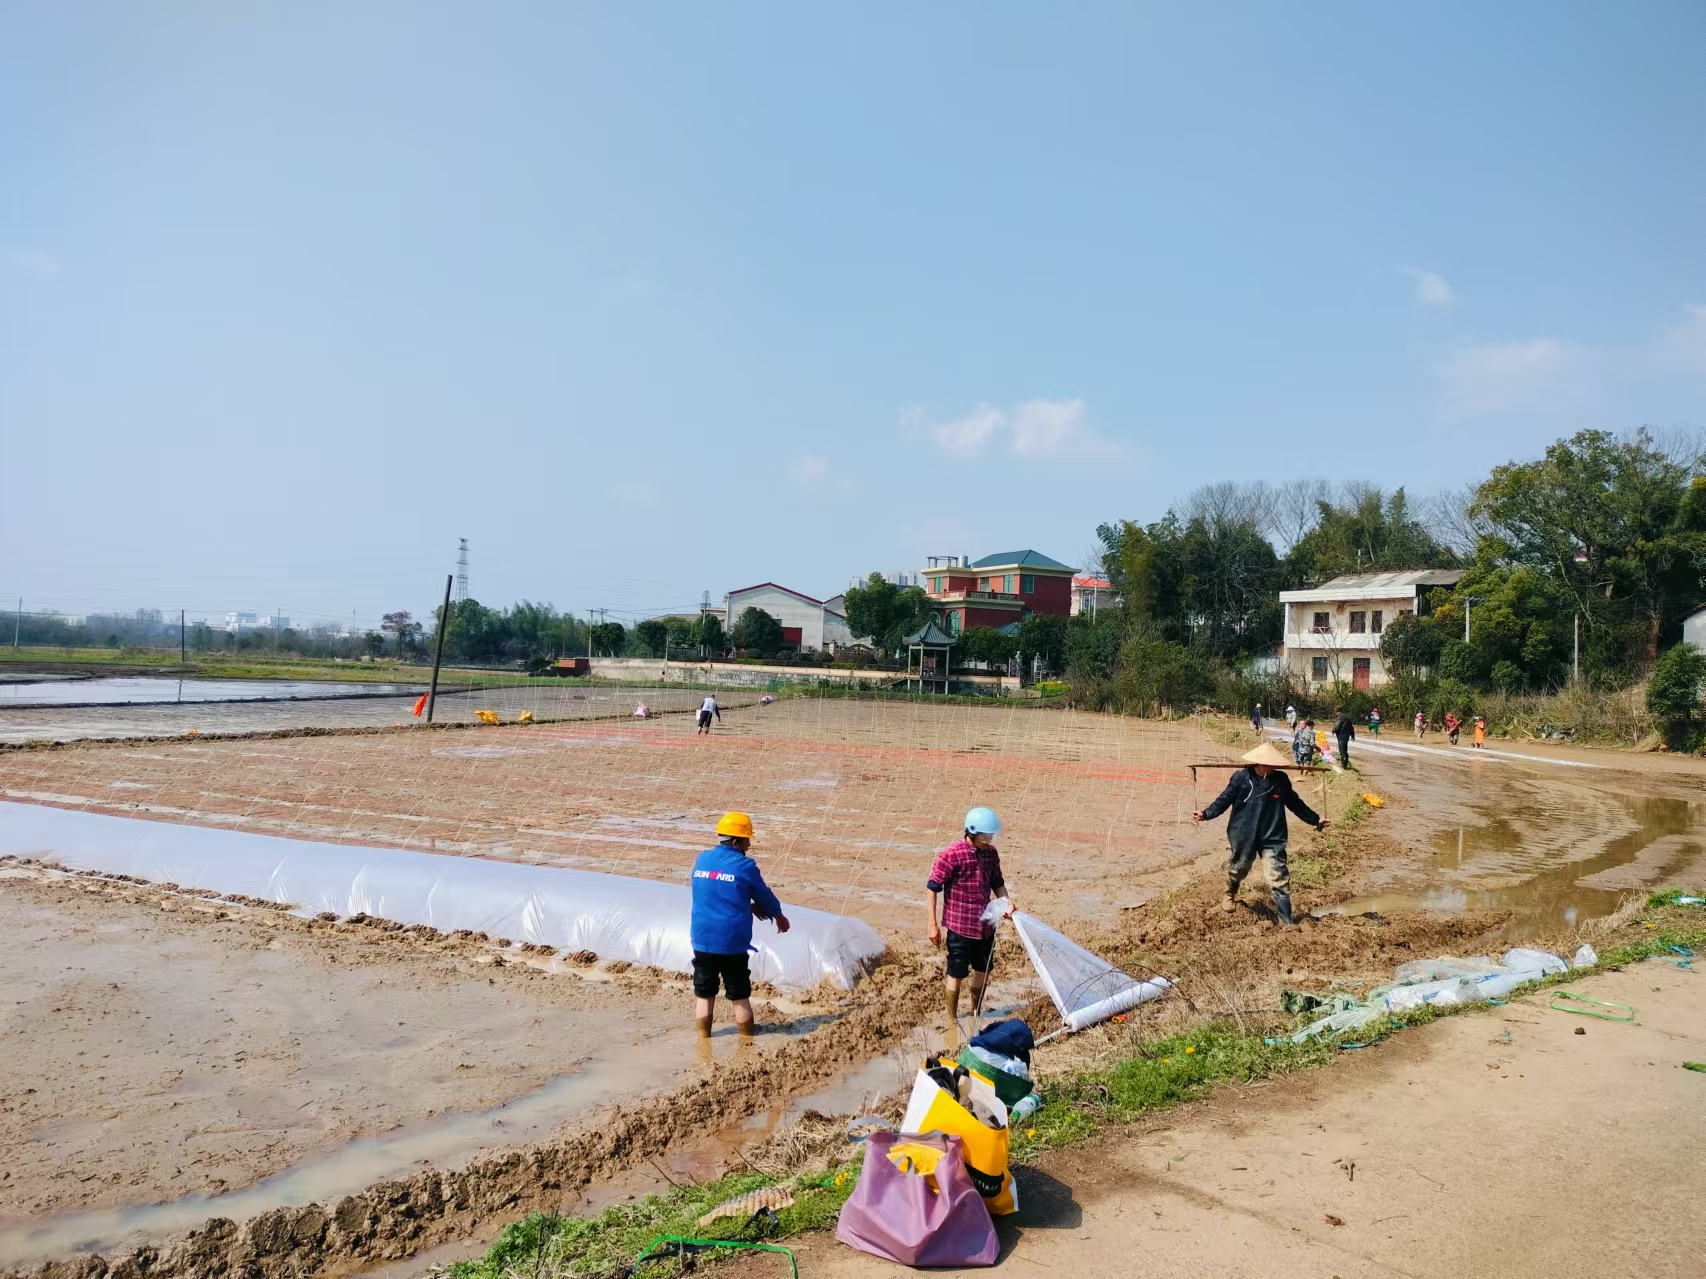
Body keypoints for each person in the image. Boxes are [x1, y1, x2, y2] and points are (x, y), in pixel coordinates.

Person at [1193, 742, 1330, 926]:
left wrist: (1315, 819)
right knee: (1238, 868)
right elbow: (1224, 799)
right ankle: (1230, 894)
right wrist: (1206, 814)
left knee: (1278, 877)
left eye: (1272, 763)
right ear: (1256, 762)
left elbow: (1295, 803)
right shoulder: (1241, 778)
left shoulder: (1281, 780)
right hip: (1243, 833)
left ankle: (1286, 920)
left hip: (1273, 835)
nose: (1268, 767)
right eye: (1265, 763)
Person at [689, 811, 790, 1039]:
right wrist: (779, 917)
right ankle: (747, 1041)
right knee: (739, 993)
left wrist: (745, 905)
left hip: (702, 939)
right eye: (747, 840)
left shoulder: (702, 859)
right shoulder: (745, 866)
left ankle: (703, 1040)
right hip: (731, 942)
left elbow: (711, 892)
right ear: (736, 842)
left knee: (704, 993)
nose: (749, 845)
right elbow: (763, 895)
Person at [927, 806, 1013, 1048]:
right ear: (972, 833)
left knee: (982, 971)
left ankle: (975, 1012)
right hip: (959, 927)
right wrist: (932, 925)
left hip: (985, 927)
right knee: (956, 975)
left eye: (991, 836)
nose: (989, 840)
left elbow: (998, 884)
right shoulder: (952, 855)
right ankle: (952, 1019)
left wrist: (1007, 902)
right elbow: (932, 888)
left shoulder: (991, 854)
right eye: (985, 836)